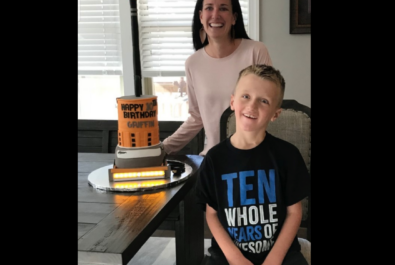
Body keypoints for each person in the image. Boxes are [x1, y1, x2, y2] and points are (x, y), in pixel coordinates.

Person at [195, 64, 310, 265]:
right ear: (232, 101)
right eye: (245, 96)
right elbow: (212, 215)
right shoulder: (214, 159)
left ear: (275, 113)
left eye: (264, 101)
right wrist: (235, 258)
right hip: (228, 254)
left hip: (281, 254)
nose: (252, 106)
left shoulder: (288, 156)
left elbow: (294, 212)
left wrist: (274, 259)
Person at [162, 0, 272, 156]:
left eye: (223, 8)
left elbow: (267, 105)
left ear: (234, 18)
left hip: (254, 156)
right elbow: (196, 117)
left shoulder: (256, 51)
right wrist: (163, 148)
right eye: (209, 8)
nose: (215, 15)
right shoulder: (193, 63)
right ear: (201, 16)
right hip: (213, 158)